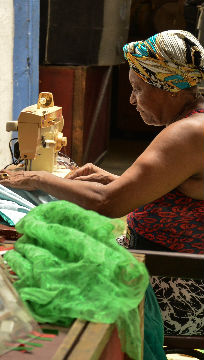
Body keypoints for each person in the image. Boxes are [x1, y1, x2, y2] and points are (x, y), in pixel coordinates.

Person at [0, 30, 204, 337]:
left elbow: (106, 203)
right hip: (172, 268)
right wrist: (119, 181)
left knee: (42, 280)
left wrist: (37, 177)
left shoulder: (187, 133)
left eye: (138, 88)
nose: (132, 99)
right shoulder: (195, 121)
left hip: (174, 287)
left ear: (170, 89)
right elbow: (181, 193)